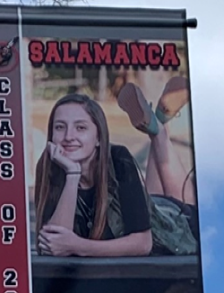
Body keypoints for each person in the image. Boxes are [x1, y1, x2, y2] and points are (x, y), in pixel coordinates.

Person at [34, 94, 153, 257]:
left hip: (175, 229)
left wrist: (78, 246)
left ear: (98, 137)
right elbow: (52, 245)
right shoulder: (48, 165)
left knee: (163, 202)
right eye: (60, 127)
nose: (68, 137)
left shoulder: (118, 158)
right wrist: (72, 174)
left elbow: (143, 243)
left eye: (80, 128)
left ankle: (158, 132)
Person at [116, 77, 200, 256]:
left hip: (153, 220)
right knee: (177, 210)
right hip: (164, 223)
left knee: (167, 207)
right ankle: (159, 124)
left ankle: (158, 127)